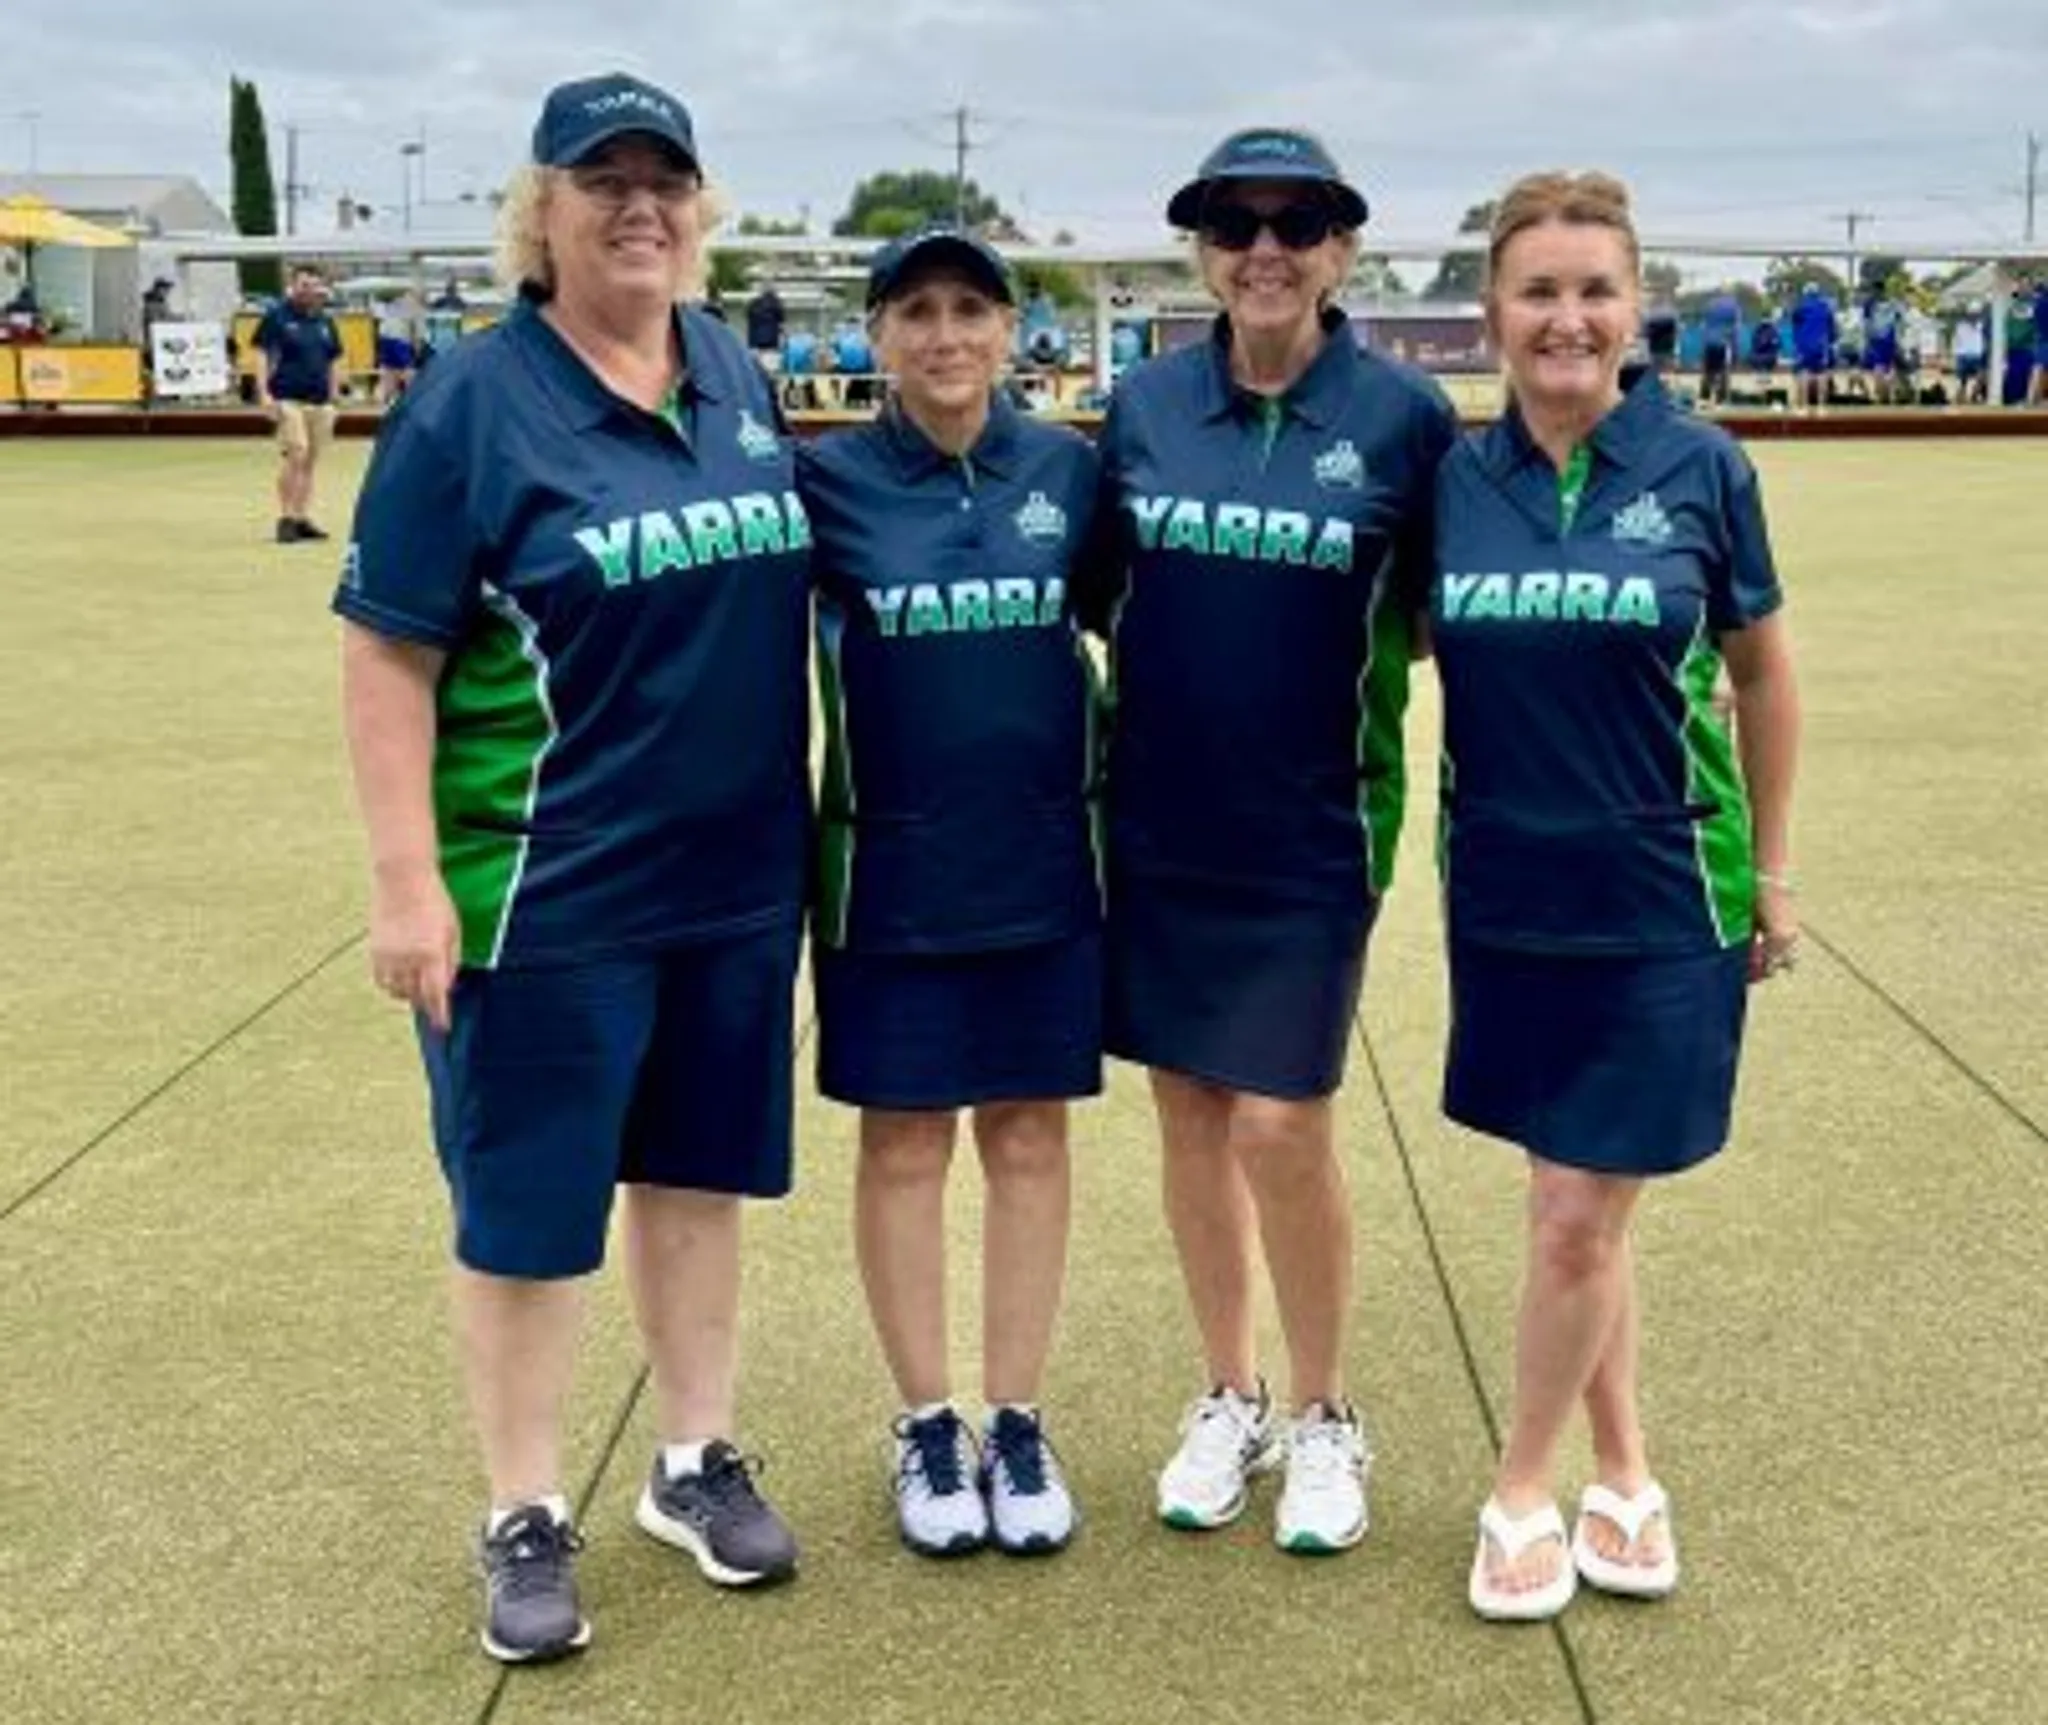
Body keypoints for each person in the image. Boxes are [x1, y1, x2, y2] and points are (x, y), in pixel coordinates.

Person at [333, 71, 812, 1666]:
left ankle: (693, 1457)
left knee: (694, 1181)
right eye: (599, 180)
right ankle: (525, 1507)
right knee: (528, 1214)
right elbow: (388, 652)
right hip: (540, 893)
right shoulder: (472, 401)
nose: (637, 206)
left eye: (663, 179)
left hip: (736, 886)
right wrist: (408, 886)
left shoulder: (734, 365)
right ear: (537, 210)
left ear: (700, 205)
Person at [1425, 171, 1801, 1622]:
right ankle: (1626, 1468)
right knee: (1573, 1200)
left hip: (1669, 896)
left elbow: (1763, 670)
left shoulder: (1704, 467)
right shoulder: (1450, 481)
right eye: (1538, 291)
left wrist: (1770, 866)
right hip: (1510, 898)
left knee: (1578, 1212)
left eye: (1594, 289)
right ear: (1492, 315)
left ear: (1635, 308)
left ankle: (1522, 1489)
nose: (1566, 317)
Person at [1080, 128, 1457, 1554]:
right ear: (1201, 251)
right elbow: (1104, 595)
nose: (1265, 247)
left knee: (1284, 1120)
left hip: (1316, 825)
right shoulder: (1144, 408)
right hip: (1162, 817)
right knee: (1186, 1111)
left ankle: (1323, 1414)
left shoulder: (1406, 420)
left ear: (1343, 249)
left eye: (1297, 222)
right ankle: (1227, 1394)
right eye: (1234, 225)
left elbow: (1434, 615)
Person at [798, 223, 1103, 1560]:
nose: (943, 336)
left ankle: (1017, 1416)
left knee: (1029, 1135)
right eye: (913, 311)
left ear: (1008, 332)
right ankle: (929, 1420)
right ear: (876, 337)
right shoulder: (824, 485)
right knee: (908, 1140)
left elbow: (1136, 623)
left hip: (1043, 864)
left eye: (970, 310)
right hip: (888, 870)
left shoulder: (1071, 475)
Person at [253, 265, 344, 542]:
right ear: (292, 285)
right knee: (297, 454)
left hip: (320, 401)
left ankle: (302, 518)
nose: (309, 290)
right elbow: (261, 355)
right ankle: (286, 518)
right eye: (303, 284)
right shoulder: (276, 317)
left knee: (310, 462)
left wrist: (334, 394)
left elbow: (334, 359)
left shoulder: (325, 321)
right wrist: (263, 394)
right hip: (287, 398)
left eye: (314, 285)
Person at [1789, 282, 1836, 413]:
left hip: (1804, 346)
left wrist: (1797, 343)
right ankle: (1822, 407)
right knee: (1822, 374)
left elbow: (1794, 326)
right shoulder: (1826, 308)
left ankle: (1803, 407)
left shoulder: (1800, 308)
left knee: (1803, 373)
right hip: (1821, 345)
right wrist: (1830, 342)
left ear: (1805, 294)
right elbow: (1832, 331)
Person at [1698, 290, 1739, 406]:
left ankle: (1704, 397)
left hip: (1709, 343)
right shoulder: (1733, 308)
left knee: (1708, 371)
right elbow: (1734, 332)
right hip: (1722, 343)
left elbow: (1704, 327)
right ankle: (1721, 398)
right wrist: (1735, 353)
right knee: (1722, 371)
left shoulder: (1710, 306)